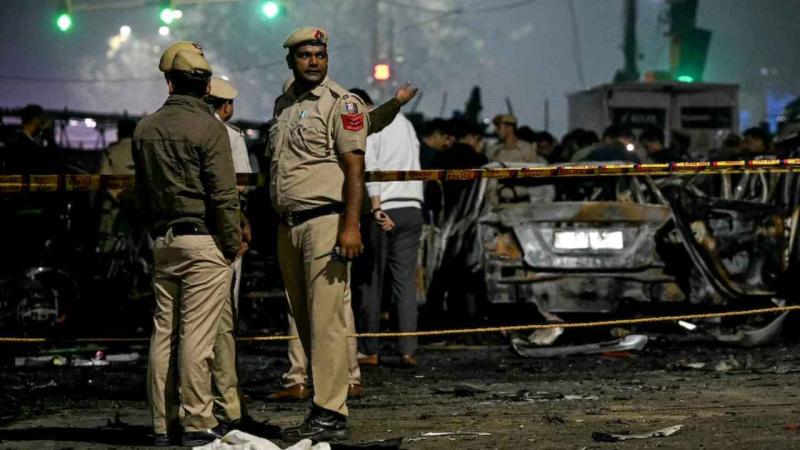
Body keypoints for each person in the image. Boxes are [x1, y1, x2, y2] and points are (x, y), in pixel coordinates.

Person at [269, 83, 418, 401]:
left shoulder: (335, 105)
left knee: (331, 304)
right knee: (328, 303)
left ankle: (324, 386)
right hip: (295, 220)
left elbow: (360, 163)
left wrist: (356, 221)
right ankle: (335, 378)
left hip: (327, 218)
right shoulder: (285, 113)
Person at [133, 47, 242, 447]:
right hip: (203, 241)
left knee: (164, 335)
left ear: (169, 83)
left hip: (165, 241)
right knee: (198, 338)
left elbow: (142, 193)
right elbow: (224, 196)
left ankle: (162, 424)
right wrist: (230, 245)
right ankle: (197, 421)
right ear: (207, 86)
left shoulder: (145, 129)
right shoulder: (210, 129)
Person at [269, 26, 367, 441]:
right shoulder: (284, 104)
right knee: (306, 322)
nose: (314, 61)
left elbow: (355, 168)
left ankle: (331, 410)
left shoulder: (342, 102)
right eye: (306, 55)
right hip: (289, 224)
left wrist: (351, 226)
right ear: (291, 60)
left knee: (327, 321)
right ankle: (321, 405)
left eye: (320, 55)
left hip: (326, 221)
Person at [346, 88, 425, 368]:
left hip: (385, 208)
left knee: (371, 282)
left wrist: (376, 206)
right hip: (412, 207)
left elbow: (371, 166)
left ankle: (369, 349)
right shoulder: (407, 124)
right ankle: (408, 350)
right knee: (405, 283)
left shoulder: (371, 124)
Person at [203, 76, 263, 434]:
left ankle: (190, 409)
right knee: (224, 324)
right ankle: (229, 408)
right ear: (226, 106)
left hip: (180, 236)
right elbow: (240, 189)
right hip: (222, 237)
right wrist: (241, 224)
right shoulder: (228, 136)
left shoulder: (168, 129)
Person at [1, 104, 62, 175]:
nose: (43, 125)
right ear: (35, 120)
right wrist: (50, 139)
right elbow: (55, 165)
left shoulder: (14, 141)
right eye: (41, 120)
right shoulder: (27, 147)